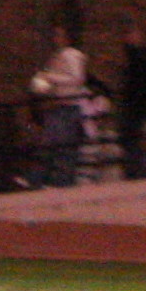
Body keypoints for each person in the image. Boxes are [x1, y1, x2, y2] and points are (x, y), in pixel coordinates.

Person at [28, 24, 87, 188]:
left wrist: (50, 78)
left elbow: (76, 78)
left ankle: (60, 181)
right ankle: (39, 179)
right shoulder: (57, 56)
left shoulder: (71, 55)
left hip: (67, 106)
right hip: (57, 105)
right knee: (50, 144)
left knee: (63, 147)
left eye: (59, 35)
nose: (55, 39)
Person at [117, 20, 146, 180]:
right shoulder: (136, 56)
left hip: (139, 107)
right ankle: (140, 171)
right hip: (136, 107)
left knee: (137, 141)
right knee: (134, 142)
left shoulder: (139, 57)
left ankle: (141, 171)